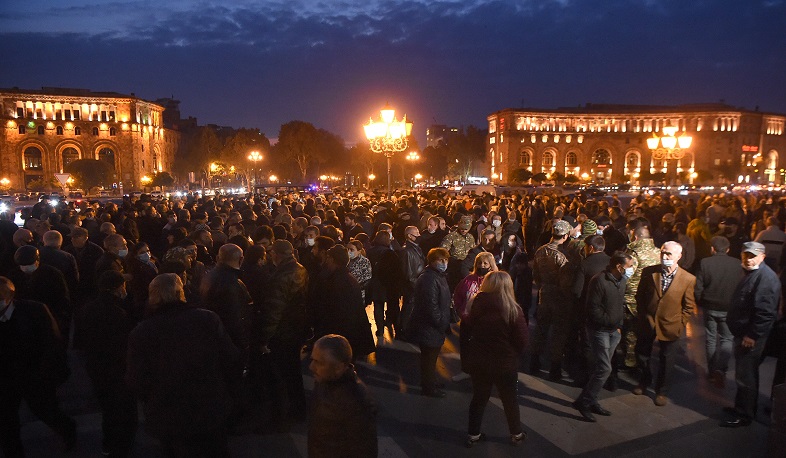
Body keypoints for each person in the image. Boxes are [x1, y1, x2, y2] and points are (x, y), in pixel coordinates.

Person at [126, 273, 241, 457]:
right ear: (181, 292)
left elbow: (136, 379)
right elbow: (230, 357)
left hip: (168, 413)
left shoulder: (142, 332)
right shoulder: (207, 319)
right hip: (208, 406)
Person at [0, 276, 76, 456]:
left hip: (33, 375)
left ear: (10, 295)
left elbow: (52, 343)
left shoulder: (34, 310)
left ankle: (67, 430)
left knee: (45, 410)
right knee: (6, 420)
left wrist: (46, 373)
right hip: (5, 378)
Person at [460, 271, 528, 447]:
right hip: (504, 363)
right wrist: (513, 354)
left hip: (479, 362)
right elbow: (522, 341)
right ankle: (516, 434)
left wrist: (466, 359)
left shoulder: (474, 306)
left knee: (479, 398)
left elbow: (465, 334)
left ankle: (473, 435)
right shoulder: (513, 310)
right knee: (510, 399)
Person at [721, 241, 781, 427]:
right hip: (744, 333)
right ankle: (741, 407)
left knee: (746, 375)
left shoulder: (766, 279)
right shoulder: (753, 273)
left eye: (753, 256)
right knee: (743, 373)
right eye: (746, 255)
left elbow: (765, 312)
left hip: (751, 337)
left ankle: (744, 414)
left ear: (762, 257)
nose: (748, 259)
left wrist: (752, 335)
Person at [80, 270, 137, 457]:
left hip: (97, 368)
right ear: (119, 287)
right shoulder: (118, 312)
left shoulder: (88, 308)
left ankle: (109, 444)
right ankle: (121, 447)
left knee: (108, 409)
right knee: (123, 411)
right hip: (117, 369)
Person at [633, 241, 696, 406]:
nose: (665, 256)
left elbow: (688, 306)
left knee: (667, 360)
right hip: (648, 321)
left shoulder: (688, 279)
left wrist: (680, 323)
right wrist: (643, 314)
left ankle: (662, 391)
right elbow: (640, 295)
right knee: (642, 354)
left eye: (669, 254)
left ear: (679, 257)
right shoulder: (649, 272)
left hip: (671, 324)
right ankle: (644, 381)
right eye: (663, 253)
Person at [573, 252, 633, 422]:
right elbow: (593, 308)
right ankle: (584, 402)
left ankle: (590, 400)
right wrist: (607, 322)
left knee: (602, 368)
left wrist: (618, 325)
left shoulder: (622, 281)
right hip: (599, 330)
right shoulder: (599, 281)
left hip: (614, 331)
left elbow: (619, 304)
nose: (631, 270)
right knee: (605, 368)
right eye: (629, 266)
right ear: (619, 267)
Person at [258, 240, 310, 426]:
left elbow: (274, 309)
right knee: (293, 373)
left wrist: (265, 337)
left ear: (276, 254)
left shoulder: (280, 276)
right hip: (295, 328)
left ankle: (282, 416)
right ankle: (298, 409)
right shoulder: (300, 269)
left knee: (280, 375)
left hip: (283, 331)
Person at [308, 334, 378, 458]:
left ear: (339, 367)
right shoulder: (323, 381)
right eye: (312, 359)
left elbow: (364, 450)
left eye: (319, 362)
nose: (311, 367)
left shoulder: (356, 401)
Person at [310, 246, 375, 358]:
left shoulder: (336, 281)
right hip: (350, 335)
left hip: (340, 337)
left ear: (331, 259)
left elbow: (332, 311)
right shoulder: (347, 278)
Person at [694, 236, 742, 388]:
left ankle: (712, 370)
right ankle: (721, 369)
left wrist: (699, 301)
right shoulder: (738, 264)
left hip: (710, 306)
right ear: (728, 249)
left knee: (710, 338)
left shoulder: (705, 263)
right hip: (729, 307)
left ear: (712, 249)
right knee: (727, 339)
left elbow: (698, 287)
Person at [530, 219, 572, 381]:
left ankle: (534, 362)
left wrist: (543, 286)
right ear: (566, 235)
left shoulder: (541, 251)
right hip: (560, 297)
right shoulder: (563, 255)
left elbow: (535, 275)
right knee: (558, 333)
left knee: (541, 329)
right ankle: (555, 369)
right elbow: (566, 281)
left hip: (544, 294)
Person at [408, 247, 452, 398]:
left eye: (446, 260)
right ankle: (428, 387)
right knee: (429, 357)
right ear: (432, 261)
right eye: (440, 260)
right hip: (430, 326)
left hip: (434, 325)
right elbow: (430, 305)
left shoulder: (438, 276)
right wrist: (440, 322)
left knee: (431, 357)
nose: (444, 263)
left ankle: (430, 380)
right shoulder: (429, 278)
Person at [453, 251, 498, 319]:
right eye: (479, 263)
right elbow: (457, 295)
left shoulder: (494, 281)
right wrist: (460, 311)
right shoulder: (468, 279)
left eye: (485, 263)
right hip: (467, 318)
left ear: (491, 266)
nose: (482, 265)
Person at [399, 225, 425, 338]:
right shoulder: (407, 251)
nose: (419, 235)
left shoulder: (416, 248)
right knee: (408, 307)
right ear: (409, 236)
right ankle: (403, 331)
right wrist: (417, 286)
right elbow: (409, 274)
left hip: (416, 283)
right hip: (412, 286)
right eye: (416, 233)